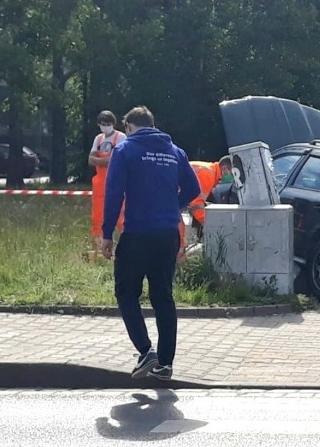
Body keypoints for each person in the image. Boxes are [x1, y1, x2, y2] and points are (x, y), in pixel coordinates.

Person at [101, 106, 200, 381]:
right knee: (162, 296)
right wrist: (172, 206)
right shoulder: (174, 152)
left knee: (126, 292)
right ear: (153, 126)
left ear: (130, 127)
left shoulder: (125, 150)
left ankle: (146, 351)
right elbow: (193, 189)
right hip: (168, 234)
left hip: (137, 233)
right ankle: (165, 364)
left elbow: (113, 193)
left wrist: (106, 232)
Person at [88, 111, 126, 248]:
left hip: (116, 182)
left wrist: (100, 160)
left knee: (121, 216)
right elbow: (90, 160)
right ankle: (97, 247)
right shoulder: (98, 139)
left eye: (108, 124)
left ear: (113, 124)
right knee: (97, 216)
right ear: (99, 124)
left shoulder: (120, 137)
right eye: (103, 124)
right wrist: (107, 161)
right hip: (99, 184)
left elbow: (119, 160)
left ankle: (127, 243)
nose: (106, 126)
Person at [187, 156, 233, 236]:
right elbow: (196, 204)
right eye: (232, 173)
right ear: (225, 169)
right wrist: (207, 225)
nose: (232, 177)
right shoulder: (208, 175)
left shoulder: (210, 171)